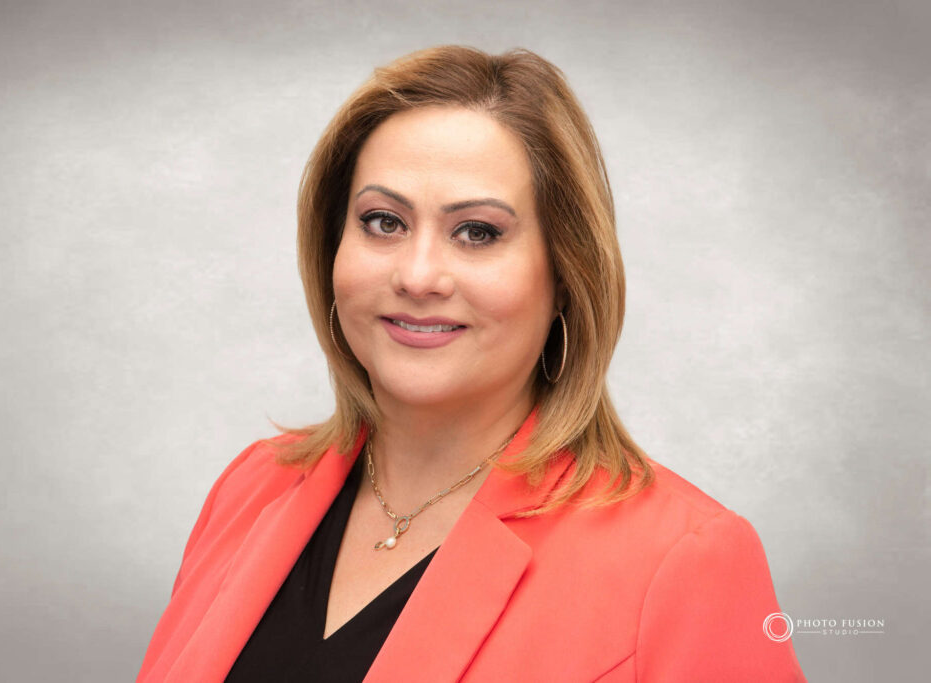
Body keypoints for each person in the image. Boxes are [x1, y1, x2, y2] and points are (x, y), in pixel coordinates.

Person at [136, 45, 806, 682]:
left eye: (478, 232)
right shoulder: (253, 487)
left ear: (565, 275)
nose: (419, 274)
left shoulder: (686, 560)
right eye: (382, 221)